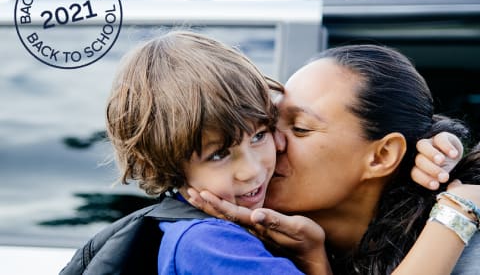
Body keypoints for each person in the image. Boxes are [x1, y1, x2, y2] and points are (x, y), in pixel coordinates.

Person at [187, 44, 480, 274]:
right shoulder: (250, 247)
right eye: (267, 127)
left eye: (300, 128)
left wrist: (457, 215)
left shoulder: (466, 253)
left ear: (381, 156)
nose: (271, 145)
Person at [104, 30, 329, 274]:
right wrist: (315, 259)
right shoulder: (211, 245)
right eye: (219, 155)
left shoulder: (205, 234)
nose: (252, 170)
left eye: (259, 136)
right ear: (165, 166)